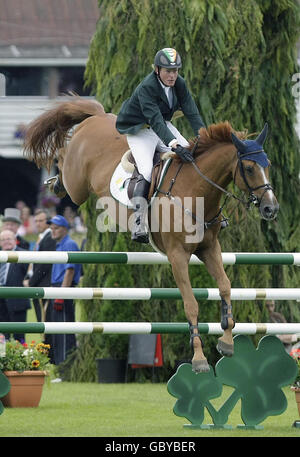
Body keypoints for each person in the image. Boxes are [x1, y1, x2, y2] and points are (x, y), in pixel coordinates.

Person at [116, 47, 205, 243]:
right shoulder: (147, 86)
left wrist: (204, 137)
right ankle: (139, 222)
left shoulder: (179, 84)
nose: (172, 75)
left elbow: (192, 111)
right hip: (140, 131)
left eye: (175, 71)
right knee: (147, 170)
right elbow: (154, 119)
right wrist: (174, 145)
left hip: (162, 126)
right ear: (157, 70)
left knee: (193, 159)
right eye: (168, 71)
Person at [49, 215, 82, 368]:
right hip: (59, 289)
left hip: (63, 289)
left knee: (63, 330)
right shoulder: (61, 244)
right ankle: (62, 367)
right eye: (52, 228)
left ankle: (65, 368)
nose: (52, 231)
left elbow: (70, 271)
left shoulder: (69, 244)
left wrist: (61, 295)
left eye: (56, 228)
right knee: (59, 330)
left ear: (64, 229)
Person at [23, 209, 56, 322]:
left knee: (44, 323)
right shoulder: (41, 237)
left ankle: (47, 341)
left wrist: (31, 282)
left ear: (48, 221)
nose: (38, 224)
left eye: (41, 221)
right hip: (39, 284)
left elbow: (44, 265)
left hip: (43, 285)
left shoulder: (50, 237)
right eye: (36, 221)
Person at [0, 230, 31, 342]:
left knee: (19, 336)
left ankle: (21, 358)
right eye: (3, 240)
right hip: (1, 301)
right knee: (2, 336)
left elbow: (30, 274)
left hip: (18, 300)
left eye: (8, 239)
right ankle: (3, 358)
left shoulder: (23, 254)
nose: (6, 242)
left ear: (15, 240)